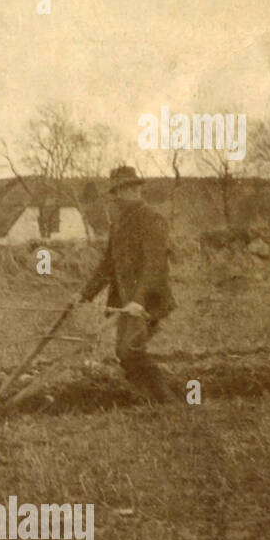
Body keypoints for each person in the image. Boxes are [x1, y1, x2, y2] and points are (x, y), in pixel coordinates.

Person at [71, 165, 181, 403]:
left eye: (123, 190)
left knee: (128, 350)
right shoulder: (118, 224)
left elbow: (155, 265)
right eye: (116, 192)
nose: (119, 197)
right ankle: (151, 399)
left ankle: (167, 401)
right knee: (125, 352)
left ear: (135, 190)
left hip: (147, 299)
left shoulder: (152, 219)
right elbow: (107, 265)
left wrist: (138, 301)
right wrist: (84, 294)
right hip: (125, 300)